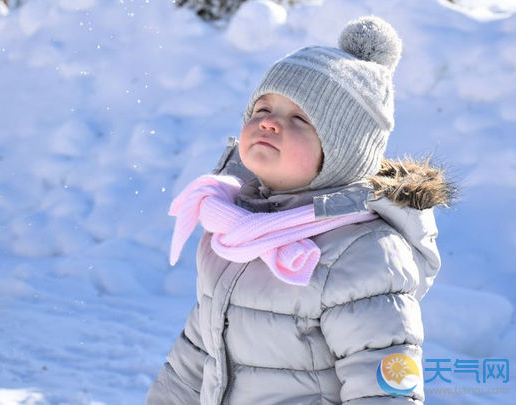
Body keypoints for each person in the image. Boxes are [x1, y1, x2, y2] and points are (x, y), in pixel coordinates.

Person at [146, 15, 453, 405]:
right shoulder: (236, 228)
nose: (270, 123)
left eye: (300, 119)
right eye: (261, 109)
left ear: (342, 153)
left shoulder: (363, 252)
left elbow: (386, 384)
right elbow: (196, 354)